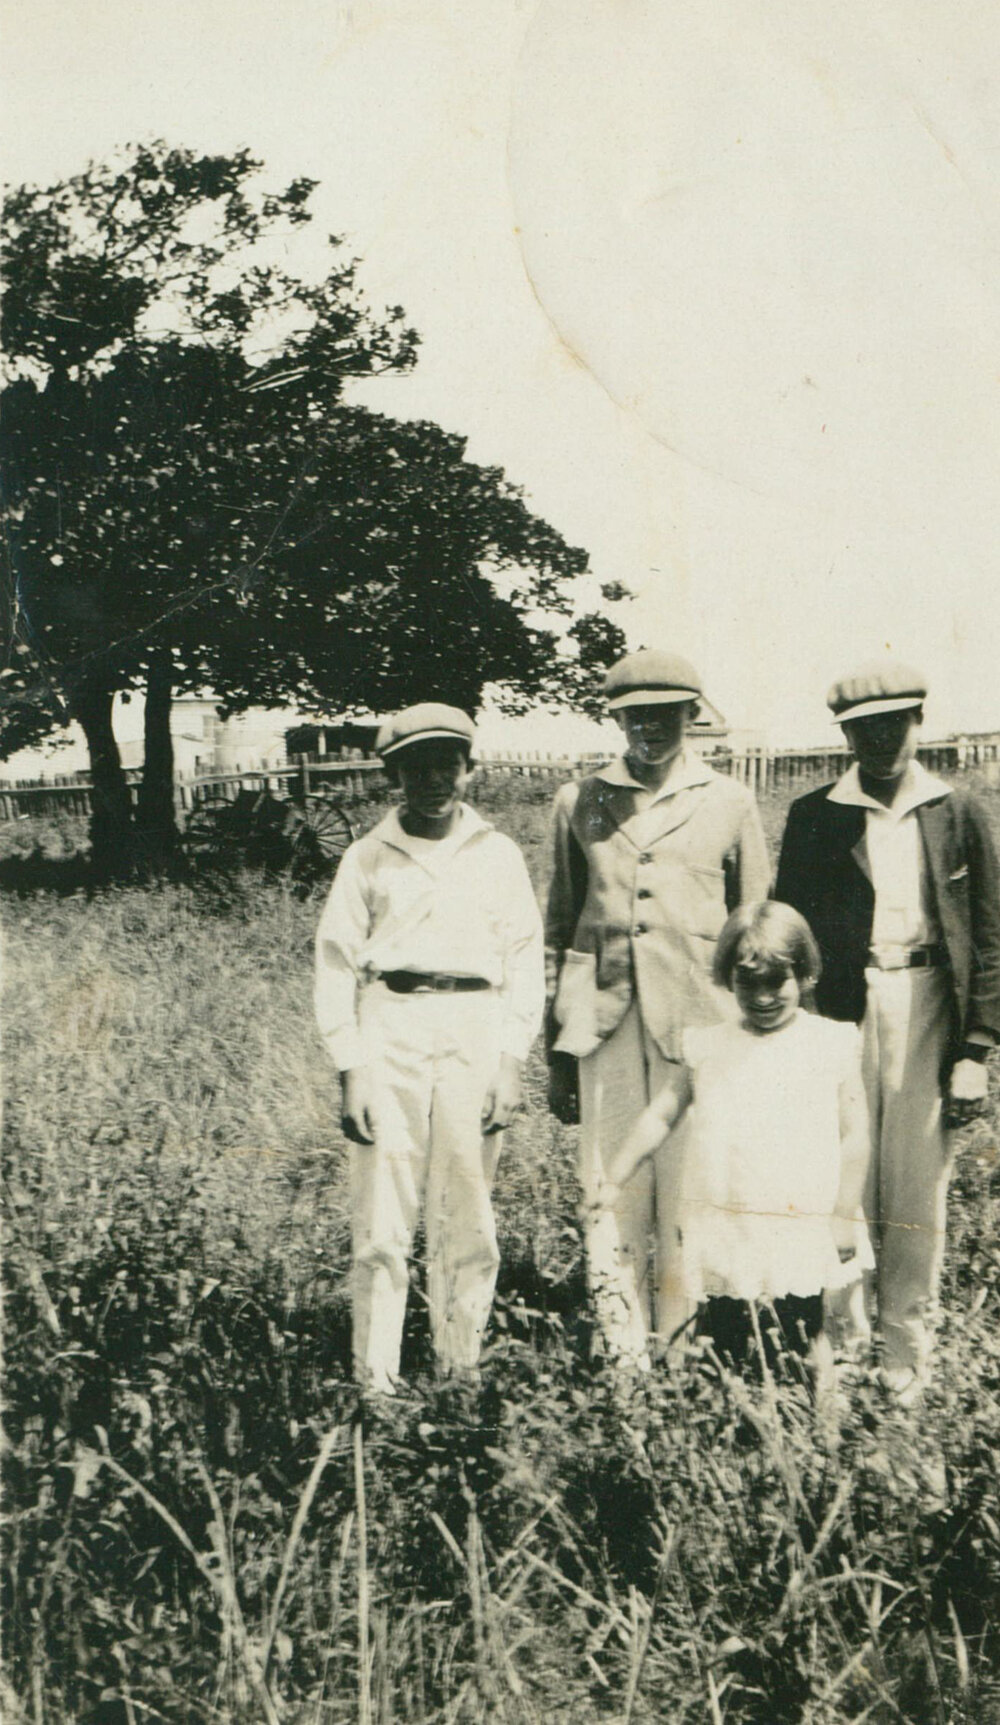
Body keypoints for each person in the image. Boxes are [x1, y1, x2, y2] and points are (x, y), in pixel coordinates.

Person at [774, 660, 1000, 1403]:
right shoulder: (816, 816)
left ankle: (906, 1372)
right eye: (863, 728)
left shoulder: (957, 809)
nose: (880, 739)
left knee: (914, 1194)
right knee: (838, 1183)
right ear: (845, 733)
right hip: (841, 1011)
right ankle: (838, 1366)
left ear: (917, 724)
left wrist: (978, 1049)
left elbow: (992, 936)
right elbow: (791, 934)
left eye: (894, 723)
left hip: (929, 1003)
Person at [545, 649, 770, 1367]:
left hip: (698, 1023)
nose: (650, 727)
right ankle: (622, 1355)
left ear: (691, 716)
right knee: (610, 1182)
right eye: (634, 714)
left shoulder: (729, 800)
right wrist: (556, 1045)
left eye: (665, 712)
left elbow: (756, 923)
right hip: (603, 1017)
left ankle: (679, 1348)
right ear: (616, 718)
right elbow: (560, 925)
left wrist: (750, 1036)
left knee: (688, 1187)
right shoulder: (578, 800)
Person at [314, 703, 545, 1395]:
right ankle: (376, 1381)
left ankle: (458, 1370)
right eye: (417, 766)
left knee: (468, 1210)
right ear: (394, 774)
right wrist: (350, 1067)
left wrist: (510, 1060)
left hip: (476, 1025)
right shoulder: (367, 857)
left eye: (447, 762)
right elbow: (334, 964)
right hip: (392, 1026)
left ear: (467, 769)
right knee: (384, 1214)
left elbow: (526, 959)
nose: (434, 778)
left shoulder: (497, 853)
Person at [599, 902, 872, 1383]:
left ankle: (823, 1442)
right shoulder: (708, 1045)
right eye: (749, 983)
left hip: (801, 1216)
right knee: (724, 1327)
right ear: (728, 979)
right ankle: (730, 1426)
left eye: (777, 982)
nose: (763, 997)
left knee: (807, 1329)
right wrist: (615, 1175)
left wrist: (844, 1213)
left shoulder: (828, 1042)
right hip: (727, 1213)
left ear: (804, 975)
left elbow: (855, 1135)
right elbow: (662, 1113)